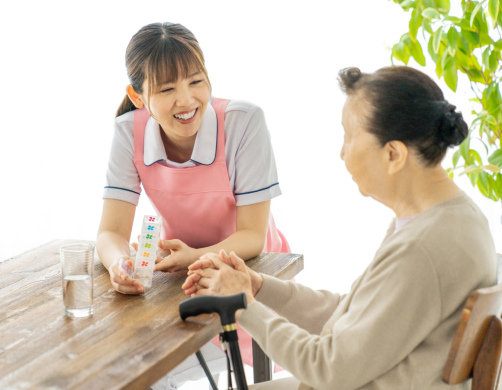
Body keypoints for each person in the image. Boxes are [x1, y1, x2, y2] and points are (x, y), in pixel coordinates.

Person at [182, 66, 498, 389]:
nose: (342, 153)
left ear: (393, 154)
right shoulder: (453, 219)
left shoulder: (422, 250)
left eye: (348, 136)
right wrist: (259, 287)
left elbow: (328, 368)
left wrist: (242, 304)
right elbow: (352, 316)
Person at [96, 22, 289, 388]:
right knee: (139, 366)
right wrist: (118, 264)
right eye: (167, 89)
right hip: (178, 281)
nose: (186, 100)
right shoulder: (128, 132)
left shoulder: (244, 122)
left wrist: (193, 256)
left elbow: (253, 236)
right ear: (137, 97)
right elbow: (110, 232)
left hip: (248, 272)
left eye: (196, 81)